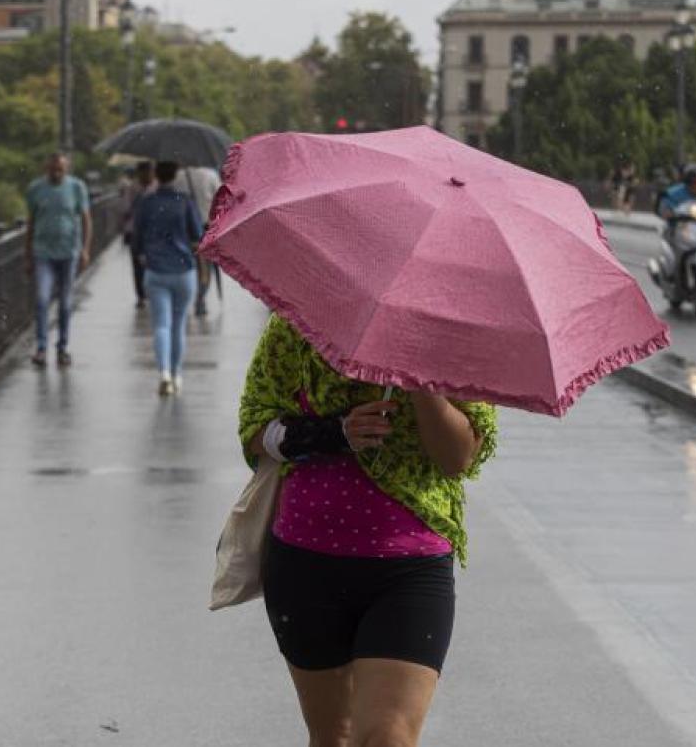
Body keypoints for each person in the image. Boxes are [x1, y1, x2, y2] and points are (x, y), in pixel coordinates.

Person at [239, 314, 497, 747]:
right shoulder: (299, 321)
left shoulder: (456, 336)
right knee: (333, 736)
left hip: (411, 569)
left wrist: (422, 383)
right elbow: (254, 426)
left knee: (387, 737)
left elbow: (458, 457)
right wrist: (334, 432)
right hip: (306, 561)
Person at [132, 161, 204, 396]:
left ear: (157, 175)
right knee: (178, 324)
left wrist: (142, 255)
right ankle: (176, 374)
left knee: (161, 325)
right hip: (183, 270)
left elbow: (136, 236)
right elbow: (198, 234)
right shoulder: (185, 201)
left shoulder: (147, 202)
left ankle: (163, 373)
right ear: (175, 176)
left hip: (155, 271)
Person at [25, 152, 92, 368]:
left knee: (64, 303)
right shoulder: (36, 189)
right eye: (53, 170)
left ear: (66, 169)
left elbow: (86, 219)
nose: (56, 173)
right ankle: (41, 348)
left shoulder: (76, 188)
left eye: (60, 170)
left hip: (68, 252)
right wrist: (27, 256)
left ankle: (62, 347)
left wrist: (85, 249)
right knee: (42, 299)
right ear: (47, 168)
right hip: (43, 253)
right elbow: (30, 223)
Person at [171, 166, 223, 316]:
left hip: (183, 231)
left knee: (185, 265)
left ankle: (184, 298)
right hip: (206, 228)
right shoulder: (211, 175)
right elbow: (222, 200)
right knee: (205, 268)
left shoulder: (177, 177)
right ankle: (200, 299)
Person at [121, 162, 155, 308]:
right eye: (146, 172)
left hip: (153, 232)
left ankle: (151, 292)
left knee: (153, 263)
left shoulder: (157, 187)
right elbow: (125, 209)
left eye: (151, 172)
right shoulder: (131, 188)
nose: (149, 175)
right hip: (135, 232)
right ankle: (141, 295)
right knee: (137, 266)